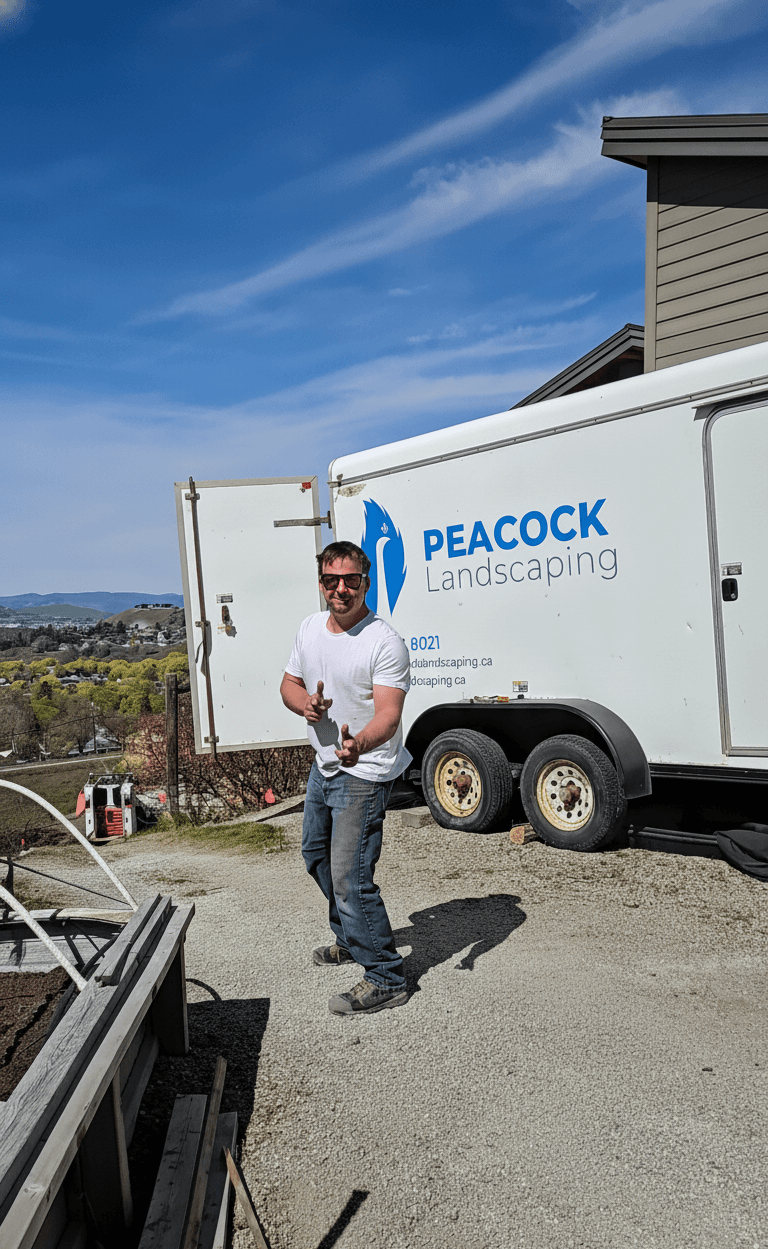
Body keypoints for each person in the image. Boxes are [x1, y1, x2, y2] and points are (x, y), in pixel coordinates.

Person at [280, 540, 411, 1015]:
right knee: (315, 855)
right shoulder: (310, 628)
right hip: (324, 766)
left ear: (365, 583)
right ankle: (352, 939)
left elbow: (389, 715)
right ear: (321, 584)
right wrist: (306, 706)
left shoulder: (384, 642)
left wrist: (360, 745)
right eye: (331, 580)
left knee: (351, 877)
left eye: (351, 580)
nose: (341, 589)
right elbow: (289, 685)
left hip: (365, 772)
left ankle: (385, 976)